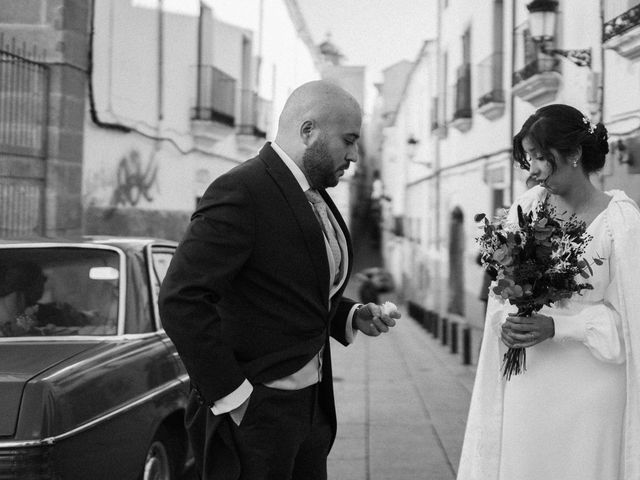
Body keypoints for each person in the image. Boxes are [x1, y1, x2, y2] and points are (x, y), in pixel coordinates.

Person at [158, 80, 400, 480]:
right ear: (308, 132)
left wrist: (350, 314)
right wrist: (234, 397)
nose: (355, 155)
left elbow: (289, 285)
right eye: (349, 140)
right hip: (256, 414)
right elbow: (181, 300)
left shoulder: (315, 194)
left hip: (310, 410)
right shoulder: (241, 190)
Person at [458, 104, 640, 480]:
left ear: (574, 154)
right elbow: (501, 289)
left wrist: (561, 327)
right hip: (528, 378)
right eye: (529, 158)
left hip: (592, 388)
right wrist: (504, 323)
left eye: (541, 157)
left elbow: (634, 321)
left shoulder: (621, 221)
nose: (533, 169)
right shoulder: (525, 209)